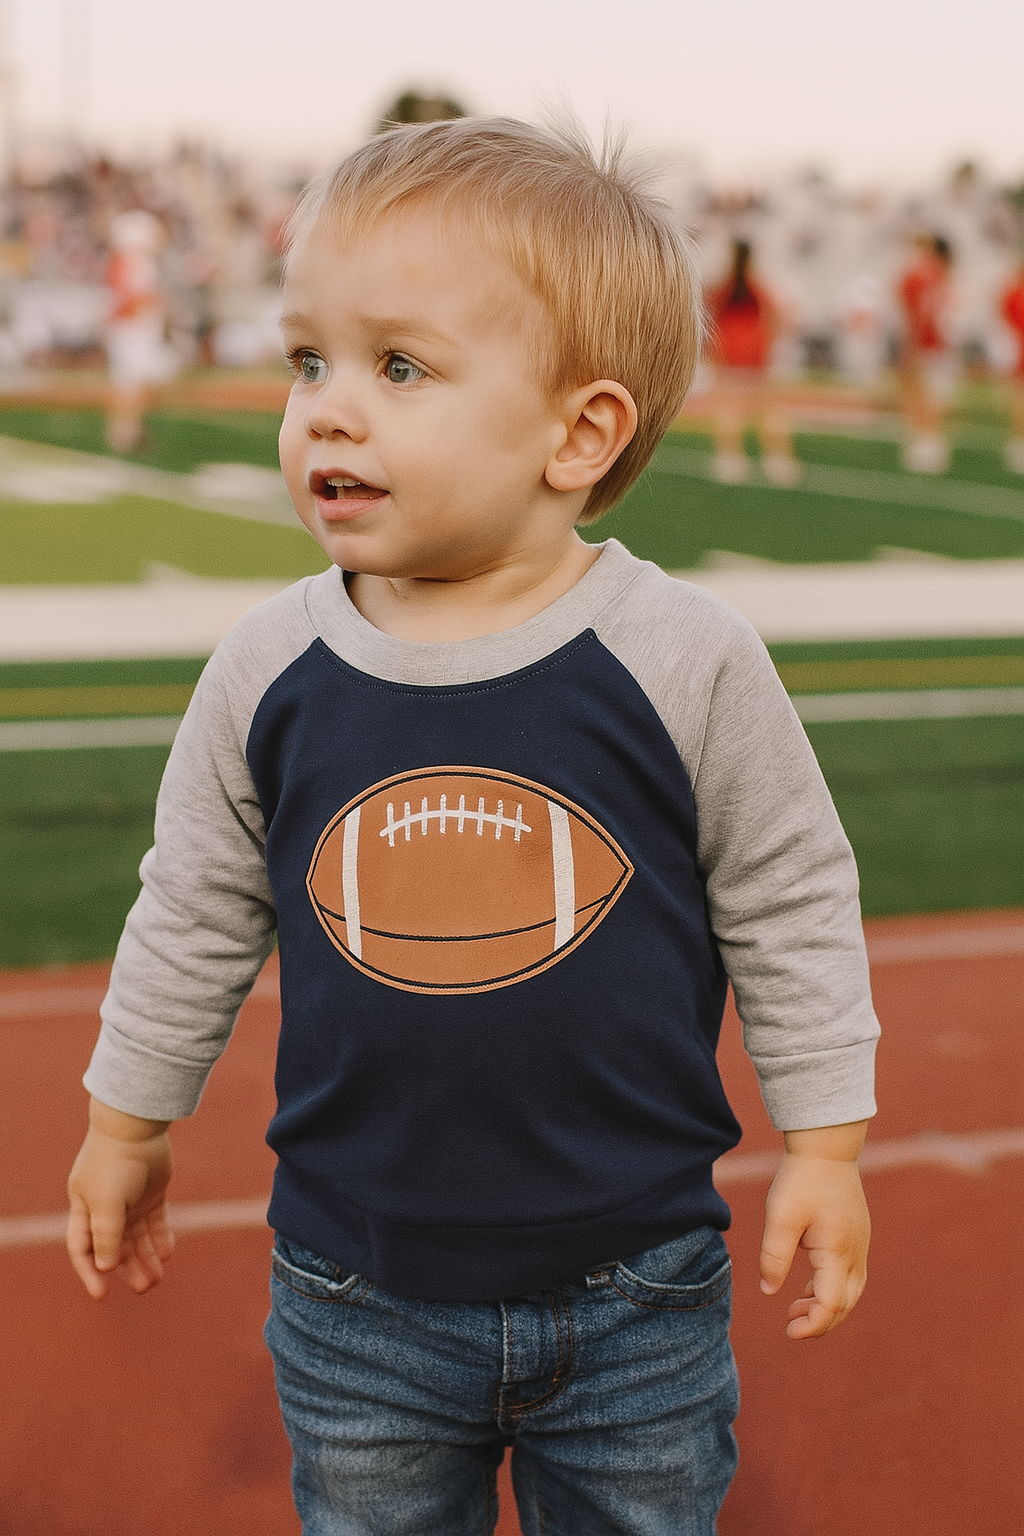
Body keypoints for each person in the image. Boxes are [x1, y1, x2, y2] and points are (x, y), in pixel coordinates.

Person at [66, 119, 877, 1536]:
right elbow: (191, 907)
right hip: (353, 1289)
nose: (323, 406)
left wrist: (826, 1145)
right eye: (307, 357)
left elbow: (791, 897)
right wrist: (127, 1117)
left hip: (639, 1286)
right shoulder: (268, 671)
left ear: (580, 434)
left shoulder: (682, 657)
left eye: (398, 366)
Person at [704, 238, 801, 486]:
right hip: (756, 357)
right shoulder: (755, 287)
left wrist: (713, 353)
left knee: (729, 411)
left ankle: (731, 460)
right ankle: (778, 460)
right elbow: (775, 319)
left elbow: (710, 322)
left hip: (730, 356)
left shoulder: (725, 288)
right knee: (768, 412)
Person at [103, 209, 177, 452]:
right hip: (133, 332)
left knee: (139, 382)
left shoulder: (135, 264)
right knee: (131, 384)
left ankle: (127, 430)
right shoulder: (130, 264)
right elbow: (135, 300)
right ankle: (124, 433)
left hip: (138, 332)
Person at [896, 232, 958, 474]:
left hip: (927, 343)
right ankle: (931, 442)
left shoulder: (919, 277)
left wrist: (910, 346)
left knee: (919, 394)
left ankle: (925, 442)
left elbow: (916, 315)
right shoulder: (945, 276)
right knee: (934, 396)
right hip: (942, 344)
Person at [1000, 261, 1024, 473]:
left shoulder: (1015, 292)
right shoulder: (1015, 292)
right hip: (1019, 352)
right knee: (1019, 398)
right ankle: (1019, 443)